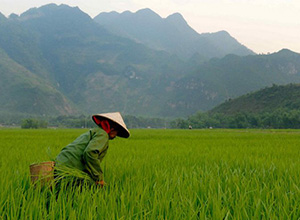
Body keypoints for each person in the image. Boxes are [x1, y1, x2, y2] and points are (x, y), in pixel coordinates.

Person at [54, 112, 130, 187]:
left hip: (61, 163)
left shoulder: (95, 131)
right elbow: (90, 153)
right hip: (70, 168)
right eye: (117, 131)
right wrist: (98, 178)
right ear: (112, 128)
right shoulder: (103, 135)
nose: (116, 135)